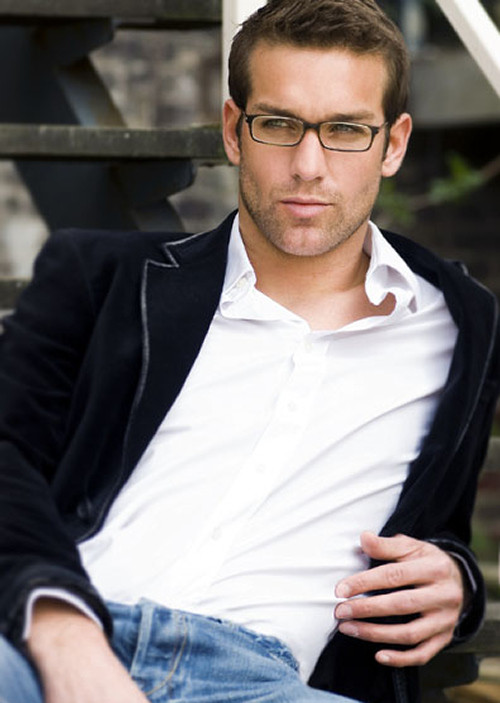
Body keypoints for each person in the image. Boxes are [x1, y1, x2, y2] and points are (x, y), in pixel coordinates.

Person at [0, 1, 498, 702]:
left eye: (346, 130)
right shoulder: (103, 277)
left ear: (393, 144)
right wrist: (62, 633)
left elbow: (437, 526)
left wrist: (458, 582)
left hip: (262, 682)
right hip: (50, 637)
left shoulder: (458, 323)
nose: (308, 166)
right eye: (279, 124)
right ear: (235, 131)